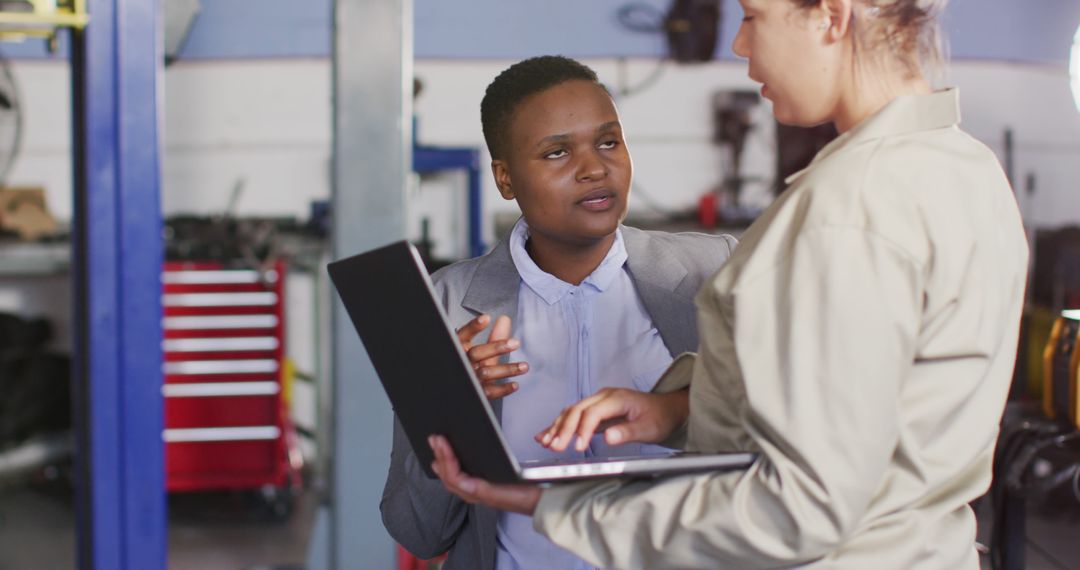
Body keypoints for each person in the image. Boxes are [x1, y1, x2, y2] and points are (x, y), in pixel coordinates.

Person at [427, 1, 1030, 568]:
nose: (741, 45)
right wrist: (678, 409)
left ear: (829, 15)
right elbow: (867, 411)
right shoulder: (966, 168)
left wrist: (558, 505)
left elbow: (797, 509)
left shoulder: (847, 212)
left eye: (753, 16)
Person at [380, 55, 738, 570]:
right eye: (556, 152)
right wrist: (449, 412)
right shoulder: (445, 305)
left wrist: (679, 408)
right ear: (505, 179)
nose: (595, 168)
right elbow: (420, 531)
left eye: (609, 141)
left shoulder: (715, 273)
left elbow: (774, 460)